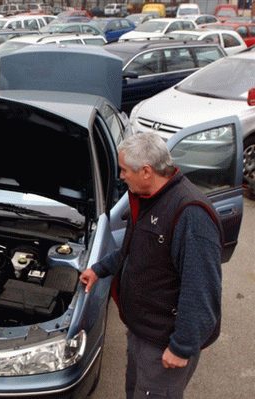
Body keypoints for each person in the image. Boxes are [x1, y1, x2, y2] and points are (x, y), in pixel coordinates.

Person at [80, 132, 222, 399]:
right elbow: (132, 250)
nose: (121, 177)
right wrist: (99, 270)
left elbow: (201, 289)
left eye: (124, 170)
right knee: (135, 391)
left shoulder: (190, 213)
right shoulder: (147, 197)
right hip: (142, 330)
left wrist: (182, 347)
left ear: (146, 171)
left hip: (164, 341)